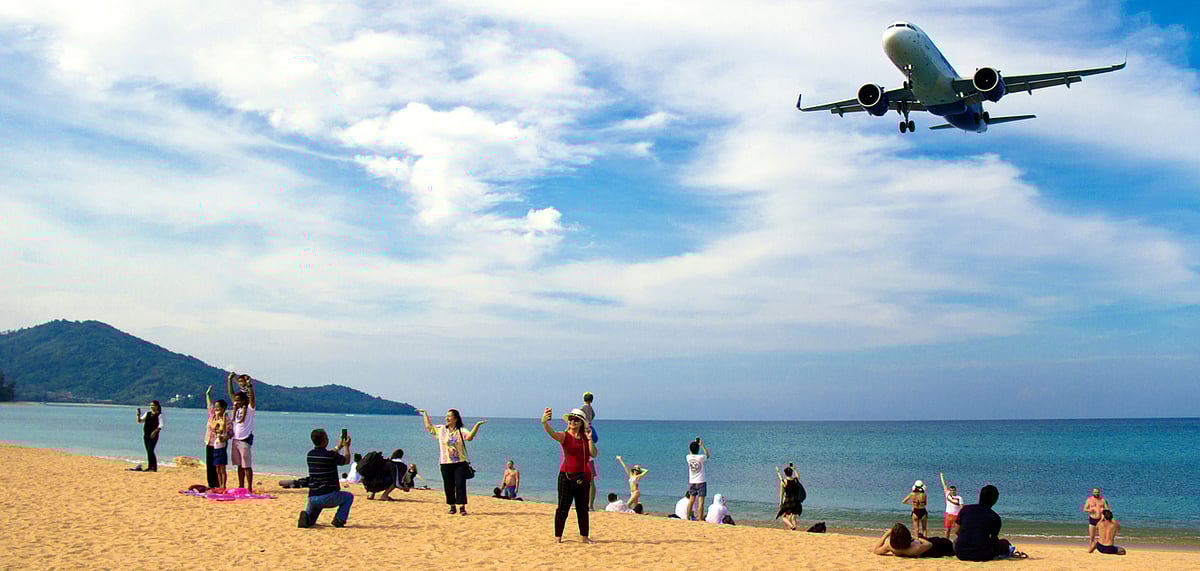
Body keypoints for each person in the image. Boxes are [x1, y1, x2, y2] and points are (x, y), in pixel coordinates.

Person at [542, 407, 597, 543]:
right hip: (566, 477)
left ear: (581, 423)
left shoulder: (586, 437)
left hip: (583, 477)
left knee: (582, 509)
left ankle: (584, 537)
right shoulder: (565, 436)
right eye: (571, 419)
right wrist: (545, 423)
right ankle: (558, 537)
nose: (572, 421)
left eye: (576, 420)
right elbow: (553, 434)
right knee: (563, 508)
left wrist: (590, 439)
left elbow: (594, 454)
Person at [419, 408, 486, 515]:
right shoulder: (441, 429)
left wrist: (477, 425)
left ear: (455, 418)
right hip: (445, 463)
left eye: (450, 416)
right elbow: (429, 427)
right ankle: (452, 506)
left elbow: (469, 437)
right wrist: (425, 414)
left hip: (460, 463)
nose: (447, 418)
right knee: (448, 485)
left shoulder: (461, 430)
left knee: (460, 484)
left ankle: (462, 507)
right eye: (447, 416)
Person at [297, 428, 353, 528]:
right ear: (325, 440)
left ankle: (307, 518)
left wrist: (338, 446)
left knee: (311, 520)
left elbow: (328, 455)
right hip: (328, 495)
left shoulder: (310, 455)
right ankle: (339, 519)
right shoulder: (330, 456)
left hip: (313, 497)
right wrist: (346, 447)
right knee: (348, 497)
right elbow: (346, 460)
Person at [955, 484, 1028, 561]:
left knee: (956, 541)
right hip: (982, 555)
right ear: (995, 499)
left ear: (980, 496)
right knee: (1005, 543)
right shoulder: (995, 517)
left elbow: (957, 531)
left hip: (961, 553)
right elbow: (994, 540)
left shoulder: (965, 509)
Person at [226, 372, 257, 491]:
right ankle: (241, 486)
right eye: (236, 401)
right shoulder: (237, 409)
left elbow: (252, 398)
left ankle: (249, 487)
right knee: (239, 466)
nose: (236, 402)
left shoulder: (249, 409)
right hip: (235, 440)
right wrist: (229, 380)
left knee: (246, 466)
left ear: (244, 401)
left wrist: (250, 387)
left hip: (244, 440)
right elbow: (231, 393)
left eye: (238, 400)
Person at [872, 523, 956, 558]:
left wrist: (886, 534)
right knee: (943, 541)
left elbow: (876, 550)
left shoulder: (890, 546)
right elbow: (929, 544)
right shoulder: (915, 548)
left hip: (923, 549)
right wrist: (916, 538)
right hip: (934, 547)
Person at [205, 386, 230, 489]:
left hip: (219, 443)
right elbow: (209, 405)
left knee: (219, 466)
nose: (216, 409)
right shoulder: (212, 415)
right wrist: (207, 394)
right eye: (215, 407)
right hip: (209, 441)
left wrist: (226, 437)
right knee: (210, 464)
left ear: (223, 408)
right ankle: (211, 485)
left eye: (218, 407)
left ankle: (219, 485)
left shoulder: (226, 418)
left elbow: (230, 432)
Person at [135, 400, 164, 472]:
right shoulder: (147, 414)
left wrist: (155, 432)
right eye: (151, 405)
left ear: (157, 406)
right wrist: (138, 415)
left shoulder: (159, 415)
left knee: (151, 450)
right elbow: (140, 421)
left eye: (153, 405)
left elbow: (161, 425)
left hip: (153, 435)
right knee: (148, 451)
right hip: (146, 435)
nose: (151, 406)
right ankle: (150, 466)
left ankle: (153, 467)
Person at [685, 437, 710, 521]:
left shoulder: (688, 457)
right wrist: (702, 445)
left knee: (691, 501)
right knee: (701, 502)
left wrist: (694, 443)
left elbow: (691, 451)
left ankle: (687, 518)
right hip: (701, 481)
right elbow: (707, 455)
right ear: (698, 449)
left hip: (692, 482)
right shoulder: (701, 457)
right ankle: (700, 519)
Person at [581, 392, 598, 510]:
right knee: (591, 480)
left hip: (584, 447)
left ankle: (585, 504)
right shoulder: (592, 410)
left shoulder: (582, 408)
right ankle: (590, 505)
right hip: (590, 440)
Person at [775, 463, 806, 530]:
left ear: (785, 473)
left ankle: (792, 527)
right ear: (792, 473)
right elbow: (798, 476)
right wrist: (794, 468)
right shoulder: (795, 480)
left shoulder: (784, 482)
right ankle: (794, 530)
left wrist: (780, 502)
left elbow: (781, 493)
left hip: (788, 500)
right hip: (796, 501)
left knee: (783, 516)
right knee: (793, 518)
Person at [940, 472, 963, 539]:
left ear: (955, 491)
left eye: (953, 490)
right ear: (949, 491)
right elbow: (944, 485)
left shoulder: (959, 498)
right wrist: (941, 476)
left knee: (957, 531)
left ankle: (961, 540)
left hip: (957, 515)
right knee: (947, 530)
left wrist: (962, 515)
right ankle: (946, 542)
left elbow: (962, 507)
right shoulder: (947, 494)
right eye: (951, 490)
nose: (952, 492)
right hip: (948, 515)